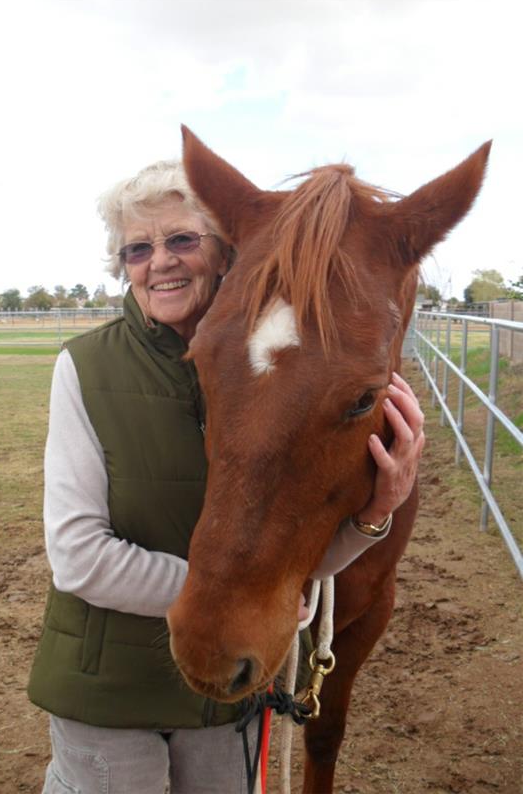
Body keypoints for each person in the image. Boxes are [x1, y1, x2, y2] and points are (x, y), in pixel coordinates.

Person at [28, 159, 425, 794]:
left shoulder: (268, 371)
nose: (159, 261)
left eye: (181, 239)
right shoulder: (85, 367)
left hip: (226, 704)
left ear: (224, 252)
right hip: (110, 689)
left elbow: (295, 554)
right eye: (137, 248)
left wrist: (379, 508)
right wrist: (231, 598)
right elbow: (76, 556)